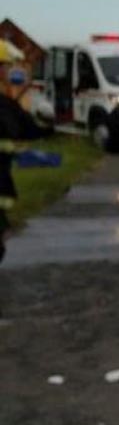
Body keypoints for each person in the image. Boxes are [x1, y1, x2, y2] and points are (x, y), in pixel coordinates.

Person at [1, 39, 54, 266]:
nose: (9, 71)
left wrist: (45, 121)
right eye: (5, 66)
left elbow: (28, 129)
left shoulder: (5, 104)